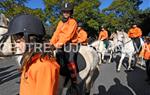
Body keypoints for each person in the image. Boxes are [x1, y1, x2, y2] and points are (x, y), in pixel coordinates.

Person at [3, 14, 60, 95]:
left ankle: (74, 80)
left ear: (31, 40)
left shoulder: (44, 67)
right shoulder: (30, 61)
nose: (16, 45)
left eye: (18, 42)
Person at [50, 2, 78, 85]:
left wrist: (57, 44)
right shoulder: (60, 22)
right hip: (59, 43)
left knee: (70, 60)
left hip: (70, 44)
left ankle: (74, 79)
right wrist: (51, 43)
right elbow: (56, 33)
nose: (66, 13)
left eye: (68, 11)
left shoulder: (73, 22)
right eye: (64, 11)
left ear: (71, 12)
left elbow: (68, 36)